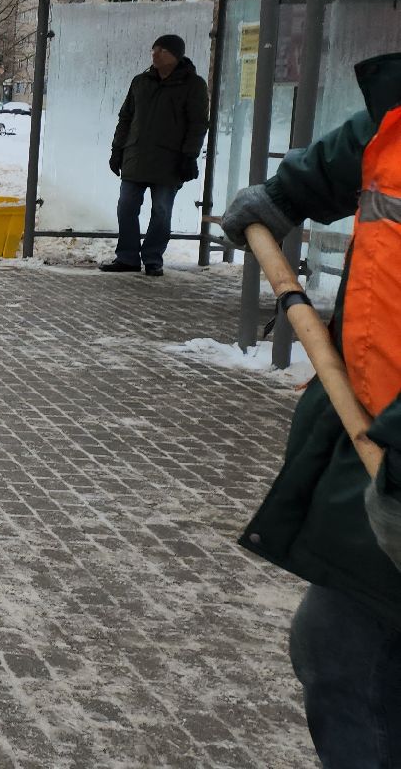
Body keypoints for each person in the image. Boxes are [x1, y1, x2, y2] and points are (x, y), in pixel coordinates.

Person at [218, 46, 401, 769]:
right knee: (341, 651)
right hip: (373, 445)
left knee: (352, 662)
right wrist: (284, 195)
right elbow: (361, 148)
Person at [101, 33, 209, 275]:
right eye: (154, 50)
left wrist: (188, 156)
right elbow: (126, 118)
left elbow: (198, 124)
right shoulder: (141, 81)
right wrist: (117, 150)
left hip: (170, 160)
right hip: (135, 156)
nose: (155, 54)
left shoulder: (193, 85)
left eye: (162, 50)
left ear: (176, 55)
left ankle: (152, 258)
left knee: (161, 210)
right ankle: (127, 257)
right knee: (126, 206)